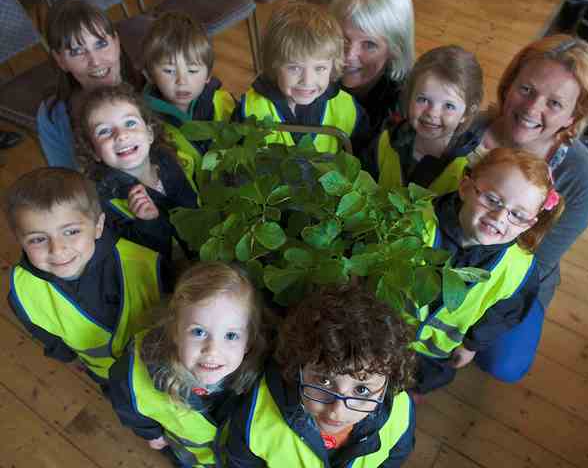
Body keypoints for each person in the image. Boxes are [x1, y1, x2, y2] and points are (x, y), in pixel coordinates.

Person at [429, 34, 588, 382]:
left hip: (512, 274)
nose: (531, 108)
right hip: (440, 245)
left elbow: (539, 258)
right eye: (526, 89)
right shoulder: (464, 127)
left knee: (504, 364)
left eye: (554, 103)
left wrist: (473, 317)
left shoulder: (582, 178)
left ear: (575, 115)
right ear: (508, 85)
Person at [409, 148, 564, 394]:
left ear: (529, 224)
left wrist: (472, 345)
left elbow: (503, 313)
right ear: (464, 187)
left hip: (436, 352)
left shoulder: (517, 268)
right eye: (492, 199)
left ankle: (413, 393)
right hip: (385, 330)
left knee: (423, 380)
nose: (499, 216)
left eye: (517, 215)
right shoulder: (416, 221)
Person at [5, 167, 164, 391]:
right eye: (38, 239)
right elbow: (46, 335)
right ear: (20, 240)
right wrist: (70, 358)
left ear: (98, 226)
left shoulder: (139, 257)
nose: (57, 249)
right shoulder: (24, 291)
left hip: (165, 361)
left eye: (71, 232)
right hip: (108, 376)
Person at [226, 285, 417, 467]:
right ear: (297, 367)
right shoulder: (254, 417)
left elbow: (394, 457)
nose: (337, 412)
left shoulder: (399, 414)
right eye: (324, 381)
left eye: (362, 389)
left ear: (388, 383)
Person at [109, 261, 270, 467]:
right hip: (189, 457)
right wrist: (150, 432)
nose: (212, 350)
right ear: (175, 332)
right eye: (198, 332)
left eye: (230, 335)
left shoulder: (260, 376)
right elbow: (125, 401)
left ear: (248, 341)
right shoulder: (133, 372)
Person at [75, 83, 199, 261]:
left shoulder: (174, 159)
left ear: (149, 133)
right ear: (94, 151)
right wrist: (147, 223)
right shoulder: (105, 203)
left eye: (130, 123)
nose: (121, 135)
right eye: (104, 131)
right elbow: (138, 260)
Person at [236, 0, 369, 155]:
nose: (307, 81)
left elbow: (362, 160)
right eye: (295, 68)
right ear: (274, 64)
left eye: (320, 68)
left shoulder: (347, 110)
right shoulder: (249, 109)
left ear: (333, 66)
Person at [37, 0, 141, 168]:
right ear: (60, 60)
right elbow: (68, 178)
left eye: (100, 44)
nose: (95, 61)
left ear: (116, 42)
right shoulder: (53, 116)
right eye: (77, 51)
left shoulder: (151, 82)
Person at [366, 45, 483, 188]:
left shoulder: (472, 169)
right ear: (409, 97)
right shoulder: (386, 141)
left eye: (449, 106)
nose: (432, 113)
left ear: (467, 113)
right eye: (423, 100)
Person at [141, 12, 235, 161]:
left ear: (208, 75)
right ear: (150, 75)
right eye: (169, 71)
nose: (182, 81)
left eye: (192, 71)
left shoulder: (224, 102)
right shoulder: (147, 122)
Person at [329, 0, 415, 137]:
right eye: (343, 38)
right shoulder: (311, 72)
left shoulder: (405, 110)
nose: (349, 55)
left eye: (369, 45)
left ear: (395, 50)